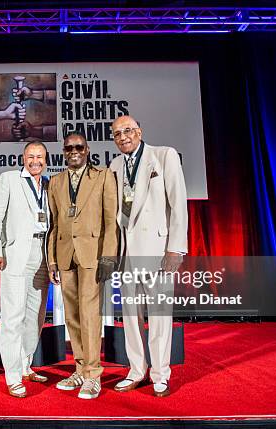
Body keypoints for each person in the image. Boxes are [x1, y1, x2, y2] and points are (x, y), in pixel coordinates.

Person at [109, 115, 188, 397]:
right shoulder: (115, 165)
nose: (123, 137)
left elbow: (178, 205)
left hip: (157, 250)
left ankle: (160, 374)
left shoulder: (163, 156)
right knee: (130, 315)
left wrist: (175, 248)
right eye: (117, 134)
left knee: (159, 315)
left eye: (128, 131)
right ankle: (136, 369)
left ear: (139, 131)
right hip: (126, 251)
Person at [47, 132, 117, 400]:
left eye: (78, 147)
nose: (73, 151)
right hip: (65, 256)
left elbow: (111, 222)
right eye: (68, 148)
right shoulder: (55, 181)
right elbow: (54, 225)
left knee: (89, 314)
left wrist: (109, 256)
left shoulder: (102, 176)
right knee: (72, 316)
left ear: (87, 149)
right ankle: (79, 368)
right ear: (63, 151)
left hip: (93, 255)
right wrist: (52, 259)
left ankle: (92, 375)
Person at [0, 141, 51, 398]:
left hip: (42, 255)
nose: (35, 161)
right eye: (31, 156)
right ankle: (12, 376)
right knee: (13, 316)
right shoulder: (9, 179)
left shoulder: (48, 184)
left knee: (35, 315)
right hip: (15, 255)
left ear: (46, 159)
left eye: (40, 157)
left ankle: (25, 364)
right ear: (23, 158)